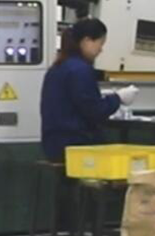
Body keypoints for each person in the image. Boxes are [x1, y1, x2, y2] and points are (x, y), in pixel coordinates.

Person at [40, 19, 138, 162]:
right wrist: (118, 98)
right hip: (77, 144)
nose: (101, 49)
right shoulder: (80, 70)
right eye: (100, 43)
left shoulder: (57, 68)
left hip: (54, 144)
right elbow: (94, 111)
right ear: (87, 41)